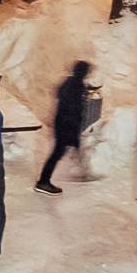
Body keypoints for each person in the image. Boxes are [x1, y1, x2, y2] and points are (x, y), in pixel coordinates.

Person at [37, 60, 94, 193]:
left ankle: (81, 172)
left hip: (63, 124)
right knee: (57, 153)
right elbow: (72, 110)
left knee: (60, 152)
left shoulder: (70, 83)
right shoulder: (76, 86)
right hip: (66, 125)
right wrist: (73, 131)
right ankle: (43, 182)